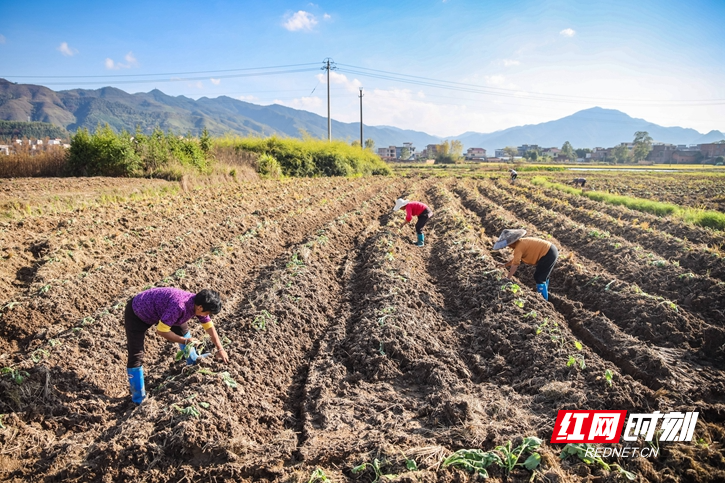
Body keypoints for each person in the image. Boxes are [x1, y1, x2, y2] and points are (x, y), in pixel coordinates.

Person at [124, 287, 227, 404]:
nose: (207, 315)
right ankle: (138, 398)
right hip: (138, 312)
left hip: (161, 309)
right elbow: (161, 331)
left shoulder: (197, 304)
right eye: (207, 313)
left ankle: (193, 360)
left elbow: (209, 327)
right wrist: (185, 341)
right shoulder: (179, 307)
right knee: (136, 354)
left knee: (183, 330)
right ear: (200, 307)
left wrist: (220, 349)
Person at [493, 229, 559, 301]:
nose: (509, 247)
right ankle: (544, 293)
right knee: (543, 276)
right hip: (551, 250)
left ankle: (544, 300)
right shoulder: (521, 243)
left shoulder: (519, 247)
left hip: (548, 253)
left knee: (539, 277)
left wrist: (508, 278)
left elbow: (515, 264)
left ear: (512, 243)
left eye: (508, 245)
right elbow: (515, 260)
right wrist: (505, 265)